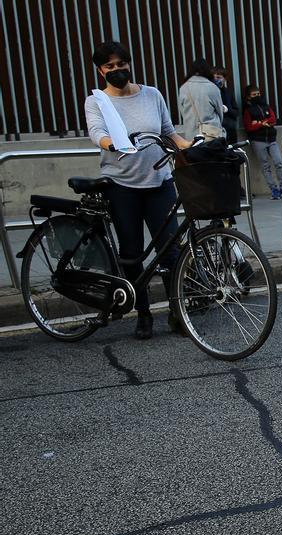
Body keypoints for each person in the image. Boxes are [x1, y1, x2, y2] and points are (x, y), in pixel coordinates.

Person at [84, 41, 190, 339]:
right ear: (100, 70)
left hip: (160, 182)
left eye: (121, 64)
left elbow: (168, 132)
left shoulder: (152, 94)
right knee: (131, 253)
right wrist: (111, 143)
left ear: (129, 64)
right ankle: (143, 314)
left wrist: (189, 145)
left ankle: (177, 313)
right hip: (122, 186)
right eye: (110, 66)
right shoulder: (98, 102)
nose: (117, 70)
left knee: (170, 251)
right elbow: (97, 132)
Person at [242, 85, 282, 199]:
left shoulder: (266, 106)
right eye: (254, 95)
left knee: (279, 162)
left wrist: (258, 123)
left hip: (271, 139)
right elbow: (248, 127)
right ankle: (274, 190)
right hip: (258, 140)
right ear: (248, 97)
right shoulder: (247, 110)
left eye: (258, 94)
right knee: (265, 166)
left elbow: (273, 119)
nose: (257, 96)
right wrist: (262, 124)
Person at [178, 57, 225, 141]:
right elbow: (220, 112)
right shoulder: (212, 87)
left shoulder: (183, 88)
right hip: (212, 134)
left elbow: (182, 111)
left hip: (192, 135)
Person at [212, 67, 239, 142]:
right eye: (213, 77)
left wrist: (227, 110)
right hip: (217, 129)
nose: (216, 79)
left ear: (224, 78)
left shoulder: (228, 92)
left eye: (218, 77)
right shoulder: (210, 92)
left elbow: (236, 112)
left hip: (230, 129)